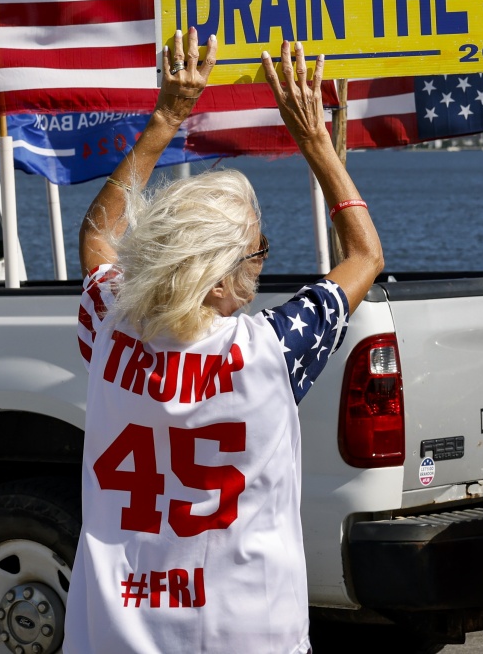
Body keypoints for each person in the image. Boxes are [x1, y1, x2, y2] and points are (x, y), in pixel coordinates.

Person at [66, 32, 384, 654]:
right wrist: (312, 137)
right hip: (248, 630)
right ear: (221, 276)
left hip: (115, 629)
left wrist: (168, 116)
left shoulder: (111, 327)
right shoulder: (273, 350)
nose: (263, 262)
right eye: (258, 252)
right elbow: (365, 255)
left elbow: (98, 236)